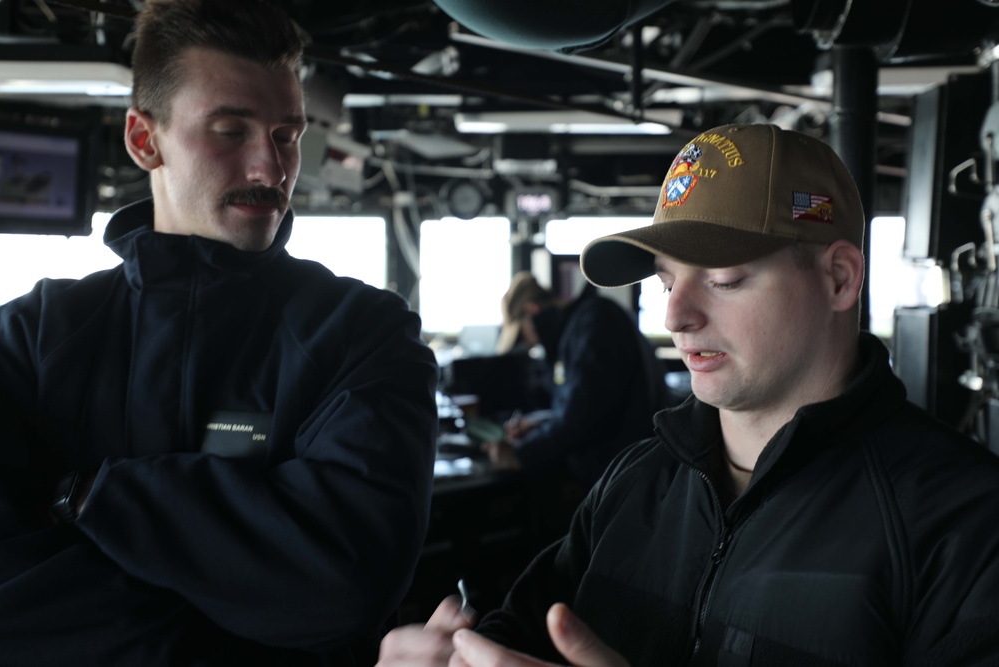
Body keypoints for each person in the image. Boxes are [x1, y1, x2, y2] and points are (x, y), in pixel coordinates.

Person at [376, 123, 999, 666]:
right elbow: (517, 636)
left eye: (724, 280)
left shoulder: (965, 524)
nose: (676, 317)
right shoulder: (636, 482)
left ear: (840, 278)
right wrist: (454, 655)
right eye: (667, 280)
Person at [0, 1, 438, 665]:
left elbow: (342, 584)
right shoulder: (33, 337)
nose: (271, 170)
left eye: (287, 135)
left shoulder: (364, 335)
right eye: (231, 132)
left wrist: (89, 496)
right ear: (146, 140)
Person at [484, 272, 670, 490]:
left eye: (523, 335)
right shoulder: (577, 328)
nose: (529, 343)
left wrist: (521, 453)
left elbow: (582, 418)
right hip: (615, 475)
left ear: (531, 309)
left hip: (627, 481)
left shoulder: (594, 322)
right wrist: (542, 423)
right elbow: (590, 403)